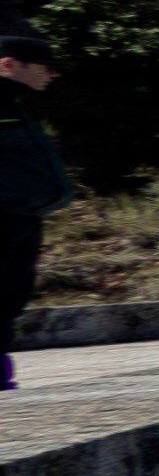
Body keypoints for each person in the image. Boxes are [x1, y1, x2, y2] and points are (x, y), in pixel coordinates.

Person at [0, 24, 70, 391]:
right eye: (44, 66)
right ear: (9, 64)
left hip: (22, 218)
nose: (51, 74)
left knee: (11, 295)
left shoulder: (14, 106)